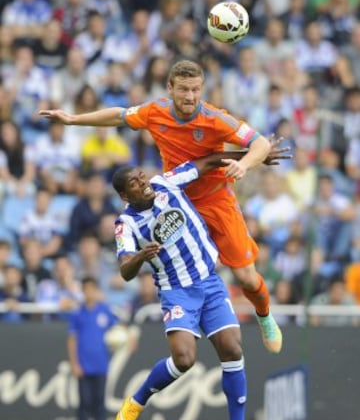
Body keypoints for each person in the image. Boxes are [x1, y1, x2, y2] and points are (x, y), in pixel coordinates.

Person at [39, 59, 285, 354]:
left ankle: (264, 313)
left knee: (246, 277)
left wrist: (244, 164)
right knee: (177, 269)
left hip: (216, 200)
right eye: (183, 89)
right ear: (170, 88)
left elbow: (260, 143)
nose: (190, 96)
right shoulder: (155, 112)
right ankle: (188, 327)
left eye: (195, 89)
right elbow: (119, 116)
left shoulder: (216, 118)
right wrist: (73, 119)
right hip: (174, 200)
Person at [110, 151, 270, 420]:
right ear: (123, 194)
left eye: (141, 176)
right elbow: (125, 270)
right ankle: (138, 401)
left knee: (233, 349)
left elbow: (207, 162)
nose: (142, 182)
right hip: (176, 291)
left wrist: (253, 155)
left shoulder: (166, 183)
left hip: (209, 282)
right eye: (133, 182)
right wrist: (141, 257)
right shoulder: (125, 223)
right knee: (184, 359)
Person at [67, 276, 119, 420]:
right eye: (86, 289)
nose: (89, 292)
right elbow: (72, 340)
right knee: (85, 400)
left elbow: (118, 330)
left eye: (92, 289)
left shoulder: (104, 310)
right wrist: (74, 363)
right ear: (82, 291)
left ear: (96, 291)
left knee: (99, 400)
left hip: (101, 363)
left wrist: (129, 337)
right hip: (83, 364)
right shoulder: (78, 313)